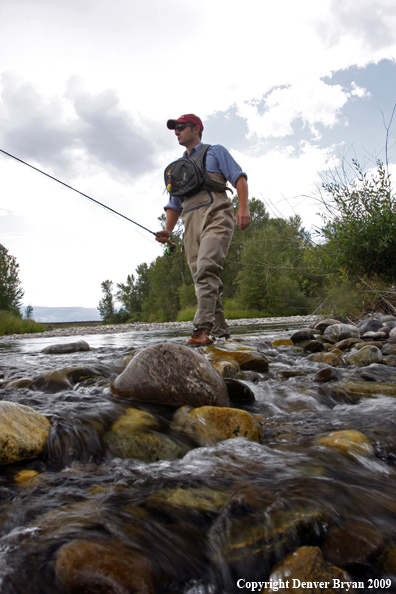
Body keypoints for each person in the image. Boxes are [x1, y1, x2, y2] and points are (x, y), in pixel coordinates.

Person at [156, 114, 251, 345]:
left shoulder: (216, 151)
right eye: (174, 129)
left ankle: (202, 330)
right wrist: (168, 231)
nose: (176, 132)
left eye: (180, 127)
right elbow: (174, 204)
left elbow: (239, 178)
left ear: (196, 128)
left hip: (216, 214)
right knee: (202, 278)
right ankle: (220, 331)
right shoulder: (177, 169)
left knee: (207, 268)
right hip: (189, 223)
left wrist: (243, 207)